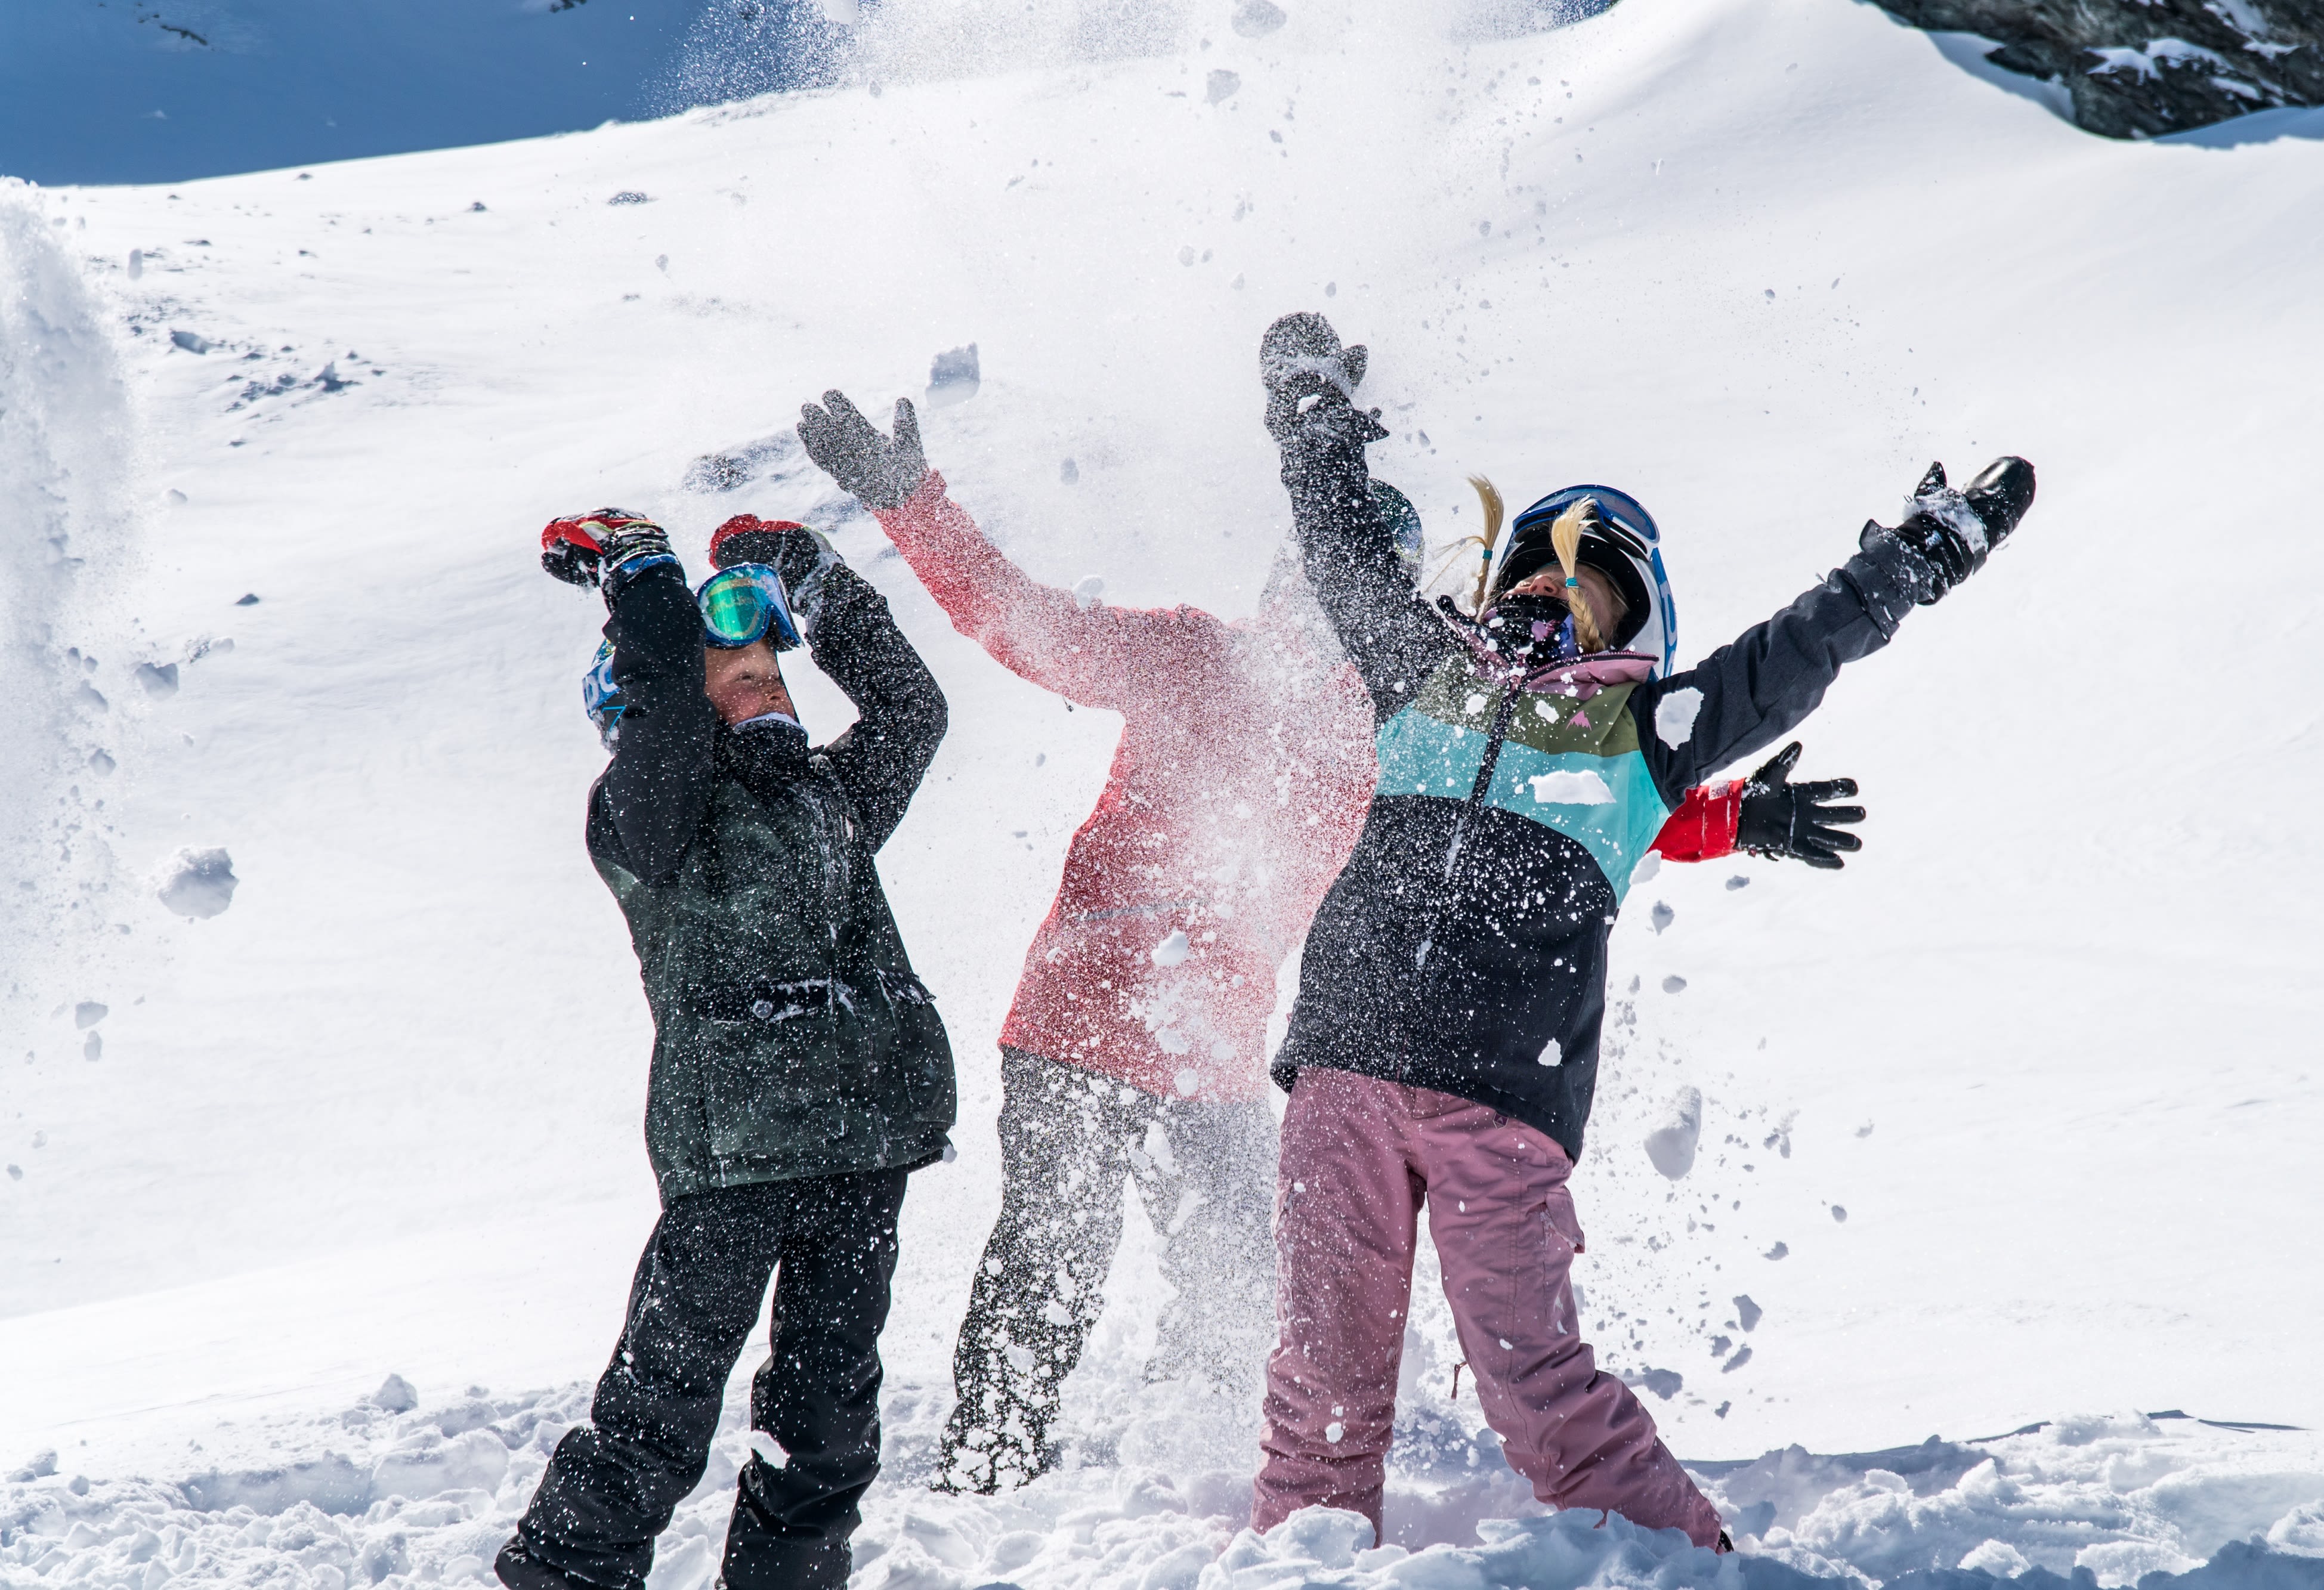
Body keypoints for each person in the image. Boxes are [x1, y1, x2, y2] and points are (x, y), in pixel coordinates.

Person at [785, 387, 1865, 1495]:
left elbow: (1560, 795)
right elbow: (1020, 618)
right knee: (1048, 1265)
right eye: (1304, 585)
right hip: (1081, 1020)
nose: (1317, 612)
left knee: (1243, 1290)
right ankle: (987, 1476)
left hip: (1217, 1065)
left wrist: (1735, 817)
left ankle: (1201, 1486)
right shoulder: (1185, 659)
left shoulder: (1383, 734)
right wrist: (908, 501)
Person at [1248, 311, 2035, 1549]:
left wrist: (1915, 556)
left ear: (1630, 626)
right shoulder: (1423, 675)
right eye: (1532, 577)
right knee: (1321, 1387)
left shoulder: (1646, 735)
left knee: (1539, 1393)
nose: (1551, 594)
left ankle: (1700, 1572)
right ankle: (1300, 1569)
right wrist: (1313, 418)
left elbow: (1796, 651)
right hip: (1343, 1066)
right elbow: (1342, 552)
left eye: (1588, 585)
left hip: (1500, 1105)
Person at [494, 509, 956, 1590]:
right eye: (728, 670)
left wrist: (811, 571)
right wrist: (643, 573)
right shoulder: (647, 821)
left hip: (858, 1150)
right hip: (732, 1164)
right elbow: (667, 725)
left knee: (830, 1427)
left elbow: (912, 709)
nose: (761, 679)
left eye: (768, 664)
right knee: (658, 1416)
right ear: (658, 702)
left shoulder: (827, 801)